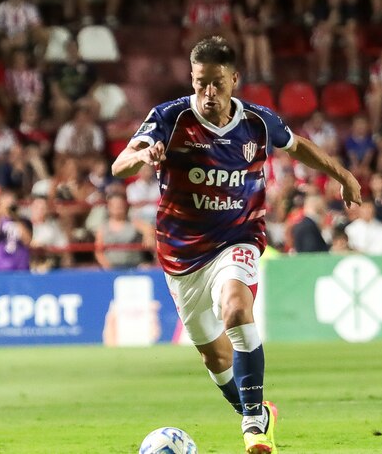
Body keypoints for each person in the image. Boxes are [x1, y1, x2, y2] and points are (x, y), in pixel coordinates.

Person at [110, 37, 362, 454]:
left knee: (235, 306)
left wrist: (344, 176)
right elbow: (119, 165)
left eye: (217, 83)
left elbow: (299, 147)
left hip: (237, 239)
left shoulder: (259, 123)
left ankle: (252, 426)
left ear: (234, 79)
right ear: (192, 79)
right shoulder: (169, 118)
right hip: (182, 255)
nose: (208, 93)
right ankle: (259, 410)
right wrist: (141, 156)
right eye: (200, 83)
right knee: (216, 359)